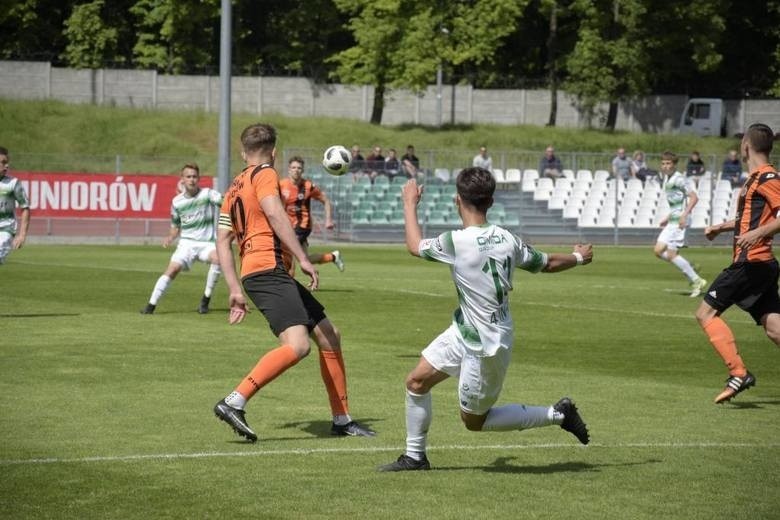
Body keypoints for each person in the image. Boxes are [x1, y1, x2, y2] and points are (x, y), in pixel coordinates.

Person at [378, 167, 591, 472]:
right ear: (490, 202)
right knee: (416, 381)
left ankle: (558, 414)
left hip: (486, 345)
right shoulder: (507, 238)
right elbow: (547, 263)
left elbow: (414, 245)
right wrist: (579, 257)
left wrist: (409, 203)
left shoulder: (456, 241)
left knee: (474, 422)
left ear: (457, 200)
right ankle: (414, 457)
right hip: (464, 329)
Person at [213, 123, 374, 442]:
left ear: (243, 152)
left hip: (258, 272)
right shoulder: (266, 174)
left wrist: (234, 289)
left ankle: (342, 419)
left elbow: (222, 241)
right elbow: (275, 214)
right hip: (268, 269)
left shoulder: (232, 188)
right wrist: (302, 257)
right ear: (273, 152)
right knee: (298, 345)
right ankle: (235, 401)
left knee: (329, 335)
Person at [695, 123, 780, 404]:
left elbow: (768, 222)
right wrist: (721, 227)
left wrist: (756, 234)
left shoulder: (767, 177)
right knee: (774, 328)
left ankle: (739, 372)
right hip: (761, 265)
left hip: (750, 264)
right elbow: (750, 219)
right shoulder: (756, 178)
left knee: (705, 314)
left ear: (745, 145)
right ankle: (739, 373)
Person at [140, 163, 222, 314]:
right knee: (172, 269)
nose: (192, 180)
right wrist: (170, 236)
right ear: (182, 179)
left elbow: (225, 202)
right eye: (188, 177)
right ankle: (150, 306)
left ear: (199, 178)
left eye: (194, 176)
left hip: (206, 243)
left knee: (218, 258)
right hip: (187, 244)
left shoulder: (208, 194)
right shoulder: (177, 202)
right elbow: (175, 225)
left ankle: (205, 301)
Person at [653, 151, 707, 297]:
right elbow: (677, 202)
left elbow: (694, 198)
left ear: (674, 164)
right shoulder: (667, 179)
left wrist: (684, 215)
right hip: (673, 219)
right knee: (658, 251)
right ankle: (689, 267)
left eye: (668, 163)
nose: (665, 166)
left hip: (679, 221)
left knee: (671, 254)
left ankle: (696, 280)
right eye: (663, 163)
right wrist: (667, 216)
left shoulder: (679, 179)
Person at [279, 156, 344, 275]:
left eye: (299, 168)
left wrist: (328, 220)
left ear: (303, 170)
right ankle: (333, 257)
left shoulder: (308, 186)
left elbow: (326, 201)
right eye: (293, 167)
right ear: (289, 169)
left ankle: (288, 282)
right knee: (305, 262)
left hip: (303, 225)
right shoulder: (281, 185)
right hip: (288, 226)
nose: (296, 170)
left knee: (290, 250)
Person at [0, 146, 30, 264]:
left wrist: (22, 235)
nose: (6, 166)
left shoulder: (13, 183)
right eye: (2, 162)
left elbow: (25, 208)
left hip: (6, 229)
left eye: (7, 162)